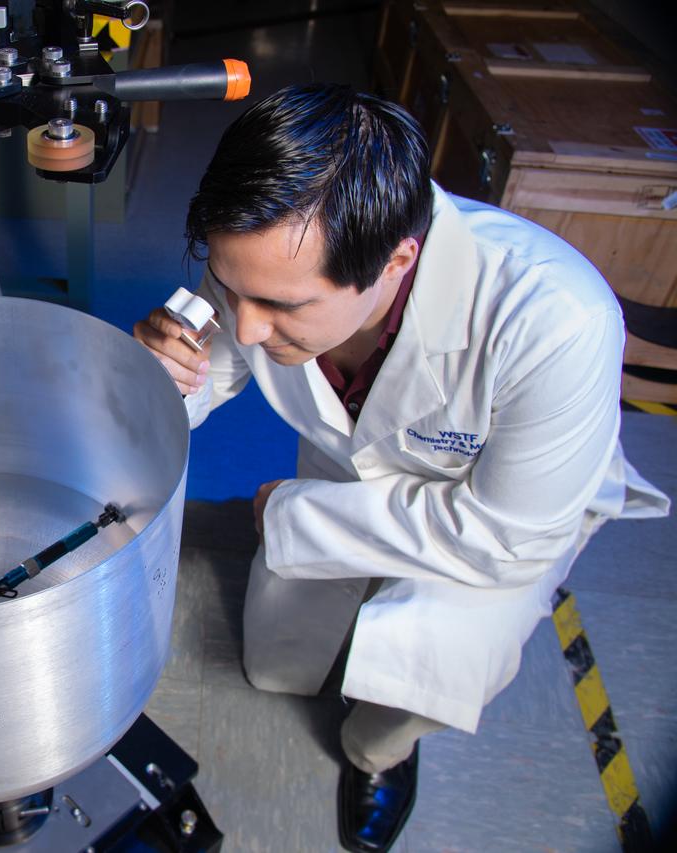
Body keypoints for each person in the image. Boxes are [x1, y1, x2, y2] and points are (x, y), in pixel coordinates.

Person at [133, 84, 669, 852]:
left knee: (427, 671)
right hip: (342, 475)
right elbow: (193, 391)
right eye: (229, 284)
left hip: (493, 524)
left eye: (282, 306)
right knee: (277, 661)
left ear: (397, 259)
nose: (246, 327)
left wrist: (291, 511)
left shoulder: (556, 319)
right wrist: (157, 374)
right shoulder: (273, 259)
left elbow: (503, 534)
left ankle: (378, 755)